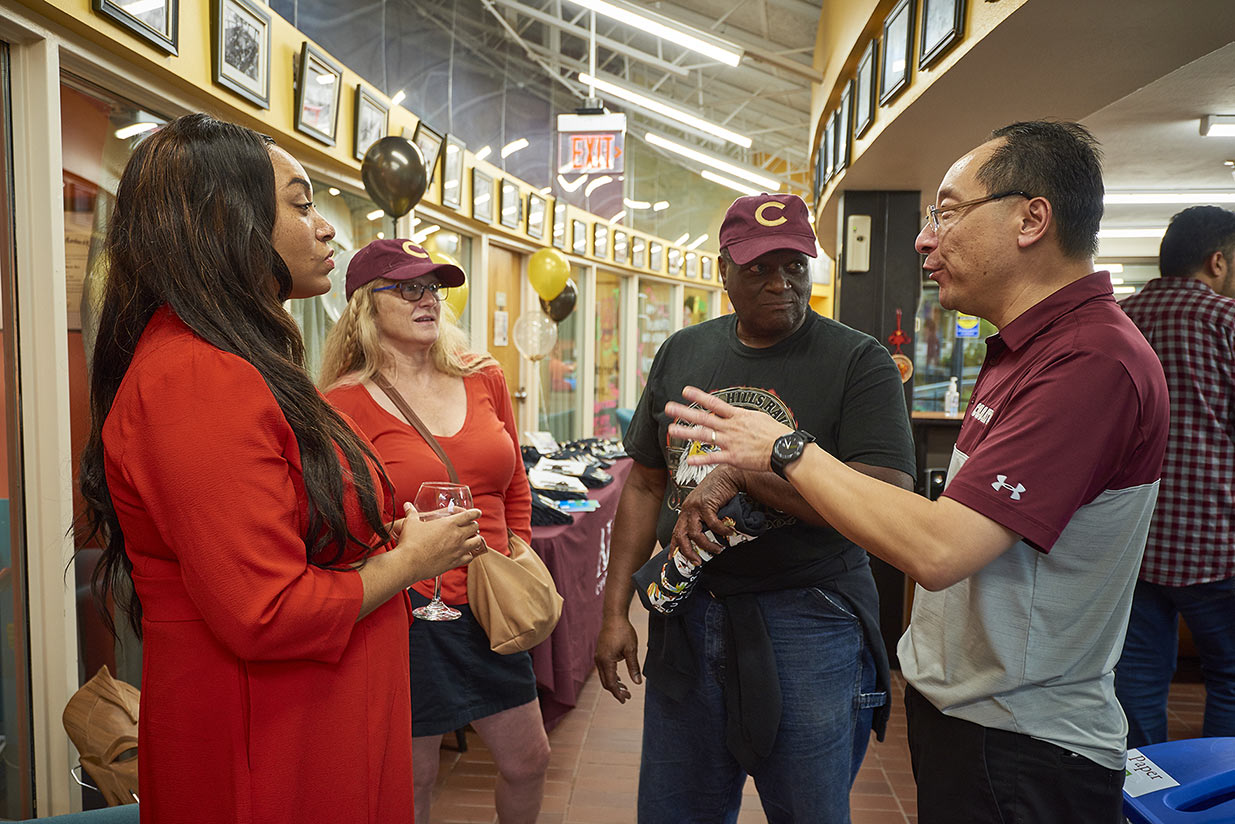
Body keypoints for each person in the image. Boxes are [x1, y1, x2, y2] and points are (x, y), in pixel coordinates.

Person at [664, 122, 1170, 824]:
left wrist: (780, 450)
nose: (925, 238)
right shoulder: (1027, 351)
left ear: (1031, 218)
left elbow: (938, 549)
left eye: (948, 211)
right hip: (973, 719)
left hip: (1022, 741)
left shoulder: (1088, 363)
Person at [76, 114, 485, 824]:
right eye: (300, 204)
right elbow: (263, 612)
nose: (326, 227)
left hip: (308, 725)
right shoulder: (198, 377)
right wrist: (412, 558)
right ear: (225, 220)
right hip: (272, 749)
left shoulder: (236, 361)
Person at [594, 192, 916, 823]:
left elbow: (885, 501)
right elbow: (644, 483)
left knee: (809, 812)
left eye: (794, 265)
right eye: (759, 268)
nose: (780, 283)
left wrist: (747, 473)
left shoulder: (860, 361)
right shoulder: (682, 352)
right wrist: (613, 614)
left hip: (809, 619)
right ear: (723, 272)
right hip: (687, 608)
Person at [320, 238, 550, 824]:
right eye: (406, 288)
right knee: (412, 776)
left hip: (489, 606)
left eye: (433, 288)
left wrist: (512, 554)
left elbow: (513, 481)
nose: (427, 300)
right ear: (364, 306)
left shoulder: (484, 376)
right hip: (407, 616)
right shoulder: (341, 404)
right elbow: (344, 523)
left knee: (529, 759)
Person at [1115, 205, 1235, 747]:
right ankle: (1217, 794)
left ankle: (1149, 794)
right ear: (1217, 262)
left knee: (1136, 681)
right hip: (1219, 542)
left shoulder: (1117, 321)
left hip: (1131, 540)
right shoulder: (1227, 322)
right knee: (1230, 679)